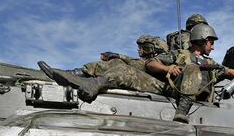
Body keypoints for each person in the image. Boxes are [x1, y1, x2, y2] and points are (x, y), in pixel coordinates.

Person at [38, 35, 171, 102]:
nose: (140, 51)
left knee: (125, 70)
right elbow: (139, 64)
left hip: (163, 86)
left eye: (145, 48)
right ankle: (73, 74)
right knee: (116, 62)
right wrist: (117, 56)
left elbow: (145, 67)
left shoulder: (167, 58)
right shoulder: (147, 61)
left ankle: (94, 83)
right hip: (150, 79)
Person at [167, 23, 234, 123]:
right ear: (201, 41)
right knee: (192, 68)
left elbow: (229, 71)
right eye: (211, 43)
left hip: (202, 99)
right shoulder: (180, 54)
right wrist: (169, 68)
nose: (213, 47)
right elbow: (151, 63)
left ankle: (184, 109)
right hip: (178, 92)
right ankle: (181, 111)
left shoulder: (210, 63)